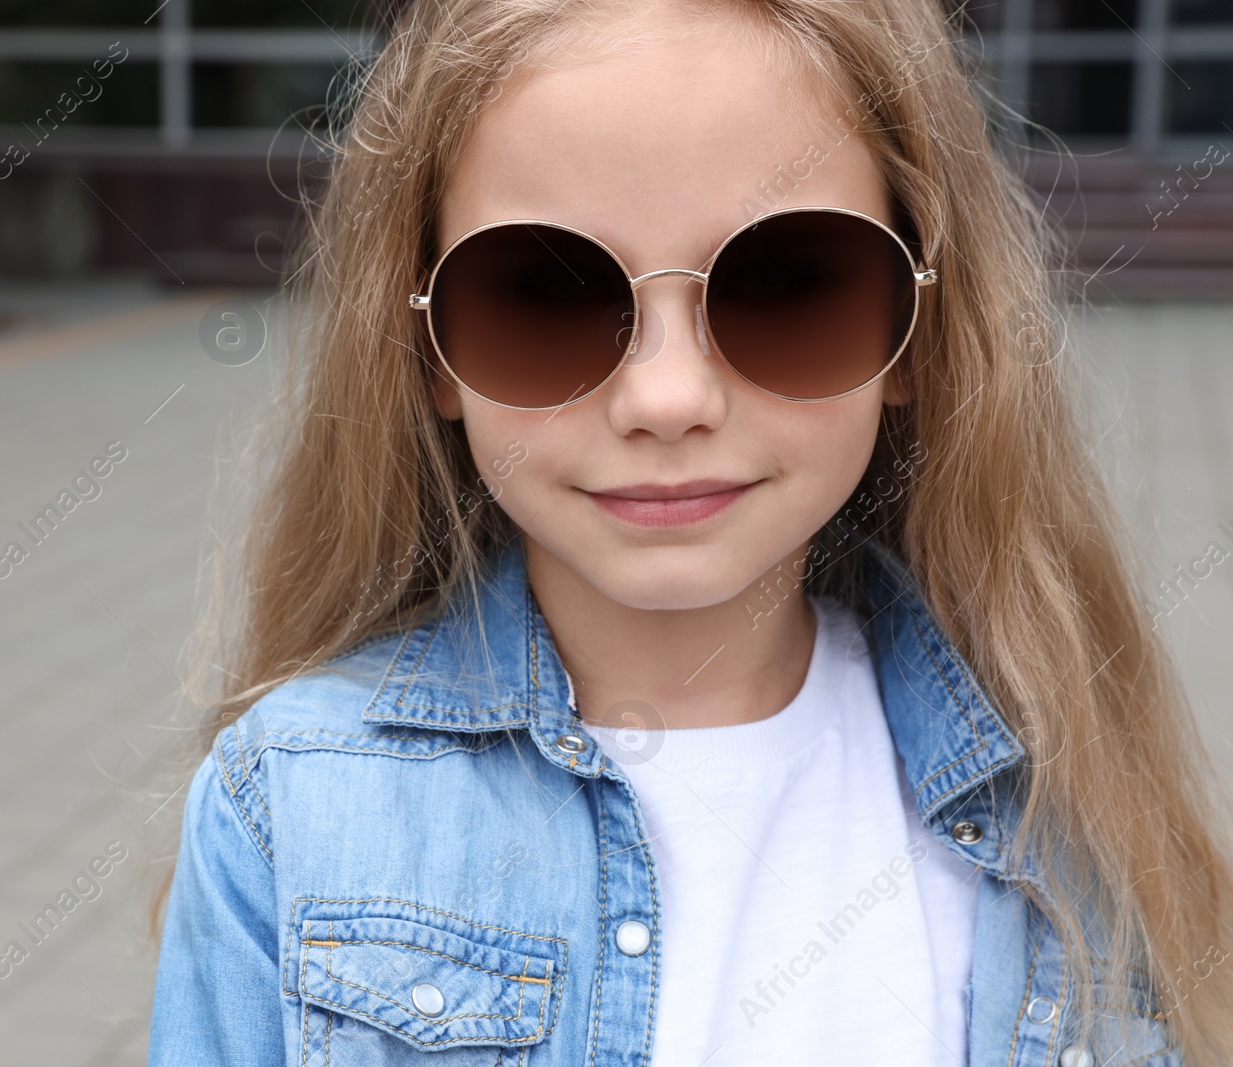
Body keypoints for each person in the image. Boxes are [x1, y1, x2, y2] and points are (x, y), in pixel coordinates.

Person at [145, 0, 1233, 1063]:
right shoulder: (288, 803)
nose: (666, 396)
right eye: (544, 292)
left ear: (915, 329)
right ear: (426, 347)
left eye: (786, 281)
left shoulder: (1073, 794)